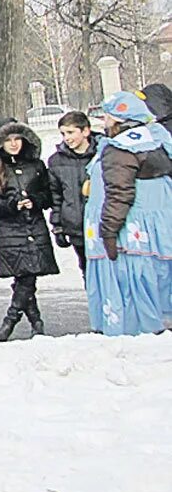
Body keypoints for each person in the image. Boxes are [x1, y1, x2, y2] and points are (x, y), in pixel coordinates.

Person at [85, 90, 172, 336]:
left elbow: (119, 194)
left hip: (132, 236)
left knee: (135, 288)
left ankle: (139, 332)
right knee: (158, 281)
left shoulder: (120, 148)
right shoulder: (159, 138)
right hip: (160, 232)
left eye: (107, 117)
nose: (104, 122)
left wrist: (108, 231)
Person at [0, 120, 58, 341]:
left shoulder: (36, 166)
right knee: (24, 275)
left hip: (34, 227)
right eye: (8, 140)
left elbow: (50, 194)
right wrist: (9, 206)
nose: (13, 144)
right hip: (8, 230)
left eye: (17, 139)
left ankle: (13, 321)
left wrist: (36, 201)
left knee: (26, 276)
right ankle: (32, 320)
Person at [47, 111, 96, 280]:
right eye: (63, 133)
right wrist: (57, 225)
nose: (67, 138)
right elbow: (56, 195)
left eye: (71, 132)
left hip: (101, 223)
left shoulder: (103, 154)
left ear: (85, 131)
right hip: (75, 224)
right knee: (87, 268)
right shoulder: (56, 161)